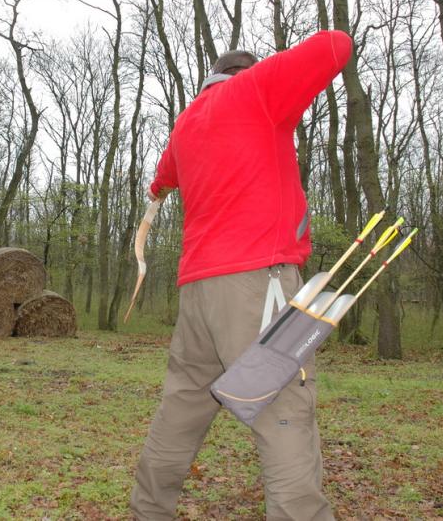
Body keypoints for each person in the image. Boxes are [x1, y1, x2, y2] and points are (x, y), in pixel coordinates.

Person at [130, 30, 353, 520]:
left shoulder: (187, 124)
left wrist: (158, 185)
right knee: (283, 411)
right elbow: (336, 44)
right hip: (258, 284)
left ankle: (148, 512)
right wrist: (269, 80)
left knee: (181, 410)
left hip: (198, 293)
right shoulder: (254, 90)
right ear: (245, 74)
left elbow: (163, 176)